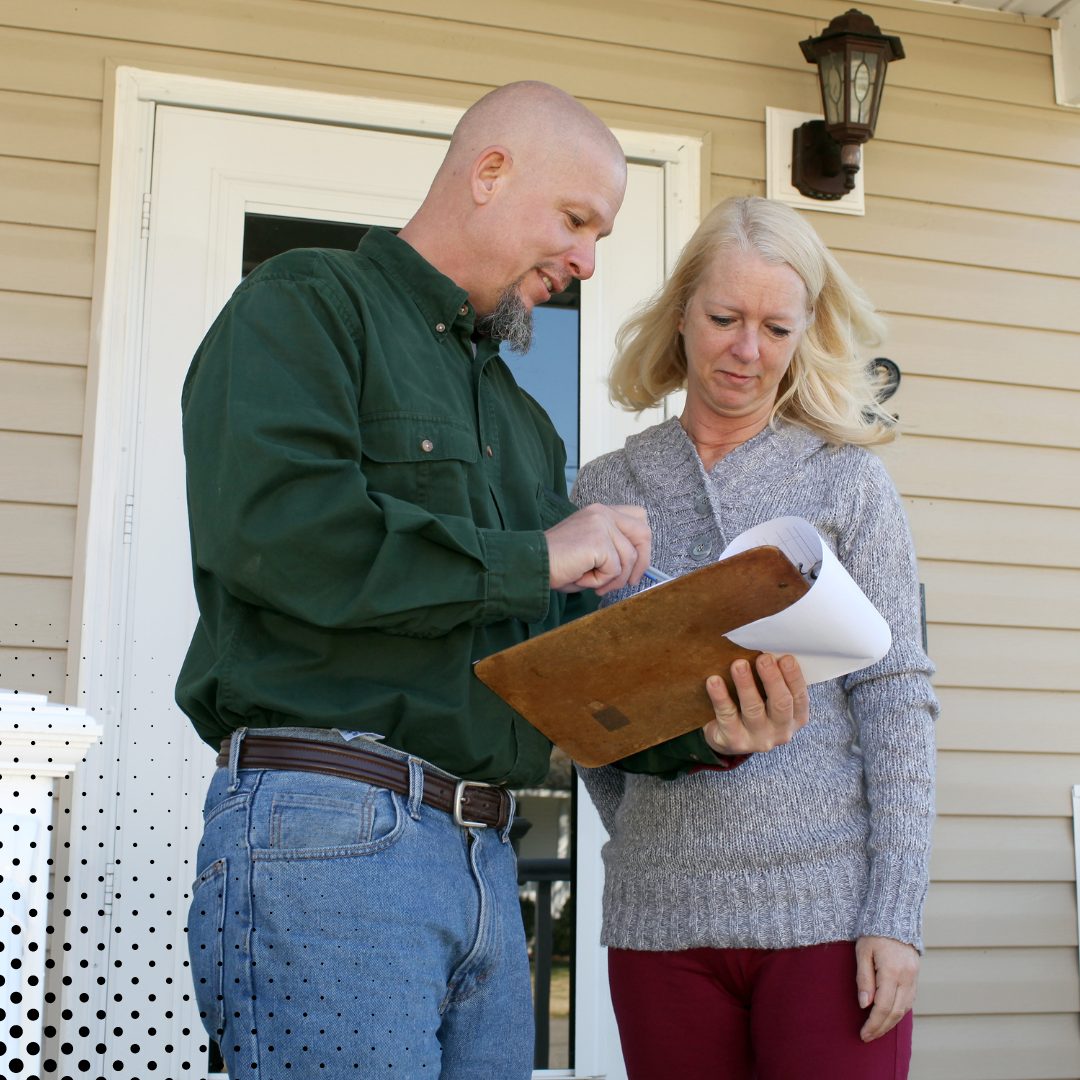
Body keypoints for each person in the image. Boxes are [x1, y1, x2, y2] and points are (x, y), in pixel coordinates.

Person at [177, 85, 808, 1079]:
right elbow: (278, 535)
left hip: (481, 857)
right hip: (327, 830)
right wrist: (539, 555)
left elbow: (547, 661)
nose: (589, 260)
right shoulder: (308, 305)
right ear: (489, 173)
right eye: (576, 220)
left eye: (602, 235)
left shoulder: (522, 424)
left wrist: (710, 724)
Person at [573, 195, 938, 1080]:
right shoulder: (607, 488)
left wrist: (894, 913)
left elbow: (898, 698)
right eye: (725, 318)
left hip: (830, 915)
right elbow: (587, 714)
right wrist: (642, 836)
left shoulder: (849, 482)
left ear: (805, 332)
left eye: (776, 327)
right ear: (682, 314)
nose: (747, 350)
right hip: (663, 920)